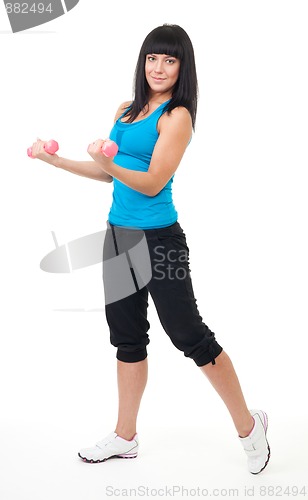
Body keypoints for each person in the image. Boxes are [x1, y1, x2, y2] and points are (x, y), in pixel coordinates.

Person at [31, 24, 270, 474]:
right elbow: (109, 174)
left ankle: (249, 427)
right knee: (126, 338)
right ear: (143, 63)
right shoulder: (127, 110)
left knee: (190, 336)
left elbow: (153, 180)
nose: (159, 68)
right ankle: (125, 437)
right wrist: (54, 159)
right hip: (118, 236)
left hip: (159, 241)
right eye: (152, 58)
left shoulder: (177, 116)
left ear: (183, 68)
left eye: (170, 60)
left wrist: (107, 161)